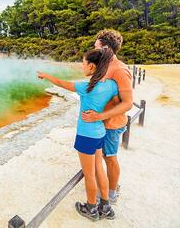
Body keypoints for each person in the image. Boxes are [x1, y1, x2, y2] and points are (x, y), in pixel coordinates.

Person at [37, 48, 117, 221]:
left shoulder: (86, 87)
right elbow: (117, 103)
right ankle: (105, 206)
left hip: (86, 135)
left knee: (89, 174)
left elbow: (60, 83)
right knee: (99, 169)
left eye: (83, 63)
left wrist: (46, 75)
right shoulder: (111, 85)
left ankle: (91, 208)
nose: (82, 66)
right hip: (99, 133)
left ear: (92, 66)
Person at [81, 29, 133, 204]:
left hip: (111, 123)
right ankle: (104, 189)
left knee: (109, 157)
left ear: (106, 48)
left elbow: (127, 103)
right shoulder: (104, 65)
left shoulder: (119, 69)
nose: (94, 48)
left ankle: (111, 193)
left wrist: (100, 116)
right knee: (100, 157)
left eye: (96, 46)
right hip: (100, 123)